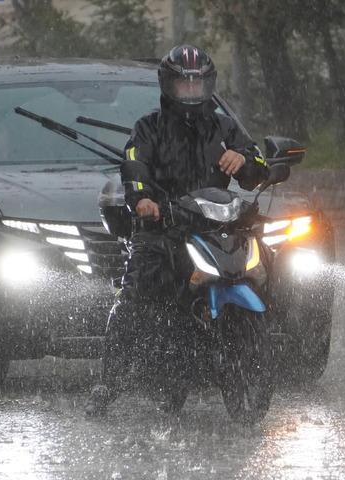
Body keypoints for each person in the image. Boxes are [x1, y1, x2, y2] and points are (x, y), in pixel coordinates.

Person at [85, 45, 270, 415]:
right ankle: (108, 380)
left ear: (209, 86)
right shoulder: (148, 128)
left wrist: (246, 160)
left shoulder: (225, 127)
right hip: (163, 228)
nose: (191, 92)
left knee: (264, 267)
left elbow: (259, 165)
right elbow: (133, 163)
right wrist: (141, 199)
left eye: (197, 85)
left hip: (215, 227)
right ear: (168, 86)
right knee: (135, 294)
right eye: (184, 85)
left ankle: (252, 349)